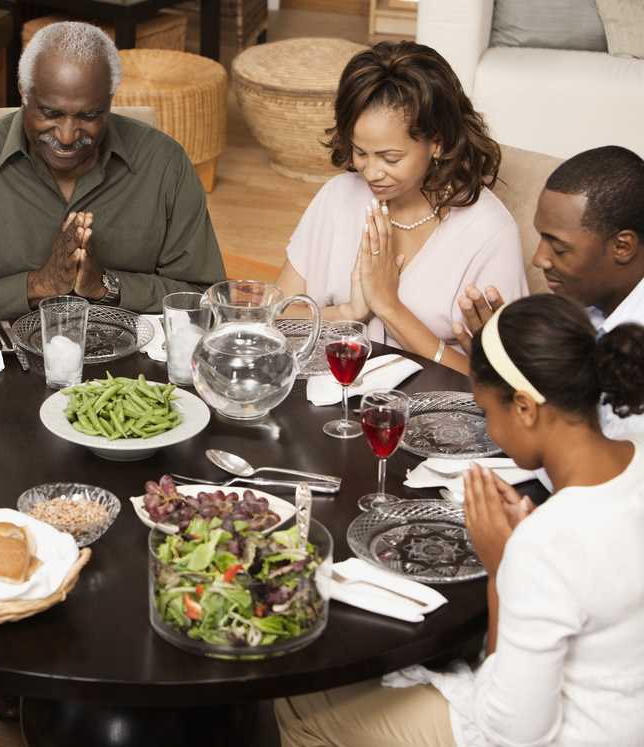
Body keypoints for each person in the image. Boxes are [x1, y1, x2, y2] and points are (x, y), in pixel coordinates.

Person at [275, 293, 644, 746]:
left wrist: (501, 571)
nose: (488, 431)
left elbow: (514, 732)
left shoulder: (545, 544)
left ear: (526, 408)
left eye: (487, 412)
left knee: (297, 704)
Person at [0, 20, 226, 324]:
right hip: (4, 363)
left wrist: (106, 286)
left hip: (134, 367)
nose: (68, 136)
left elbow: (204, 298)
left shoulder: (164, 164)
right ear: (23, 93)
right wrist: (36, 285)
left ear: (110, 101)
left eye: (89, 115)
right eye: (50, 113)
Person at [276, 41, 527, 373]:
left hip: (429, 414)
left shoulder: (489, 233)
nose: (371, 172)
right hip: (325, 398)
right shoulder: (337, 198)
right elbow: (278, 315)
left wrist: (388, 305)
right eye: (360, 152)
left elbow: (505, 381)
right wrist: (348, 313)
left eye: (390, 158)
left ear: (437, 142)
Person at [454, 145, 644, 438]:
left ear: (622, 247)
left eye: (558, 248)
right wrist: (506, 364)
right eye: (541, 238)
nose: (539, 258)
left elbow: (604, 460)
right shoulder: (580, 305)